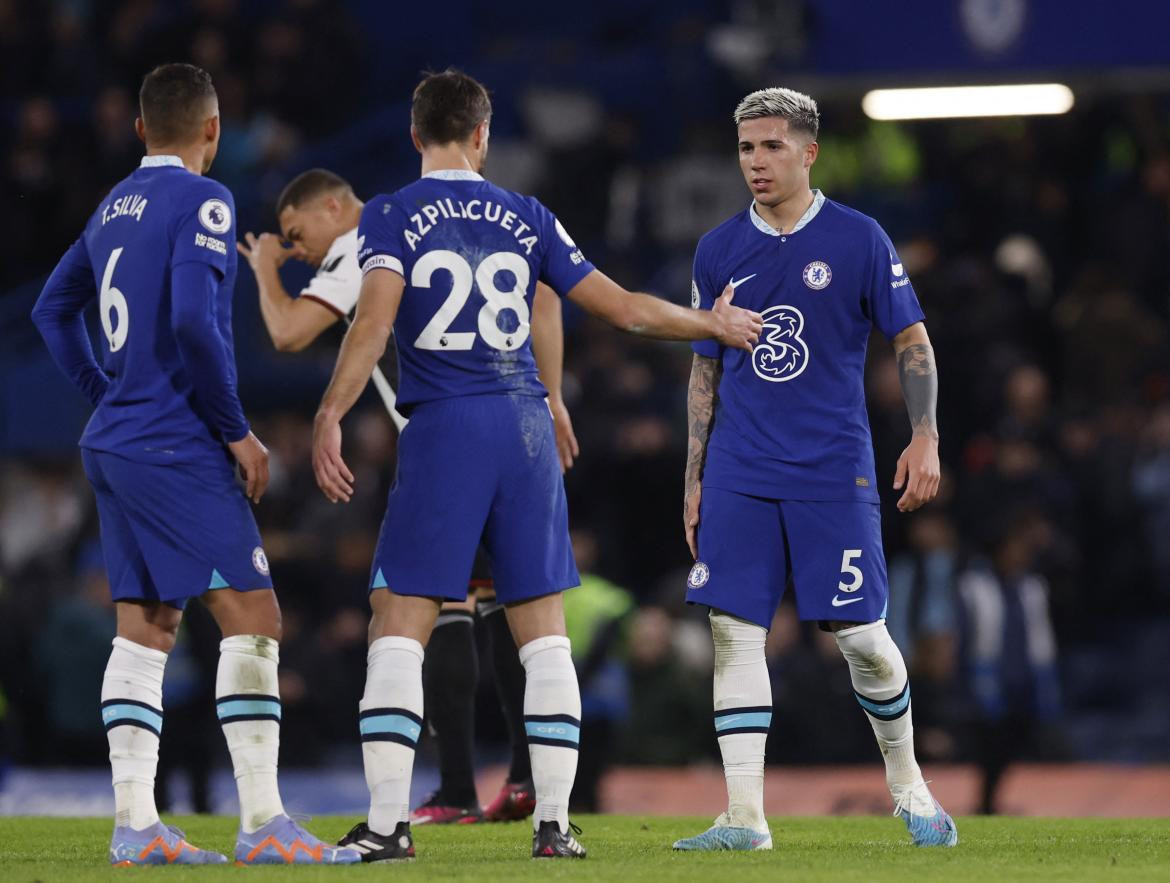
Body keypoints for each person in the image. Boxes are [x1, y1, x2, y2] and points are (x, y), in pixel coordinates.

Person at [309, 68, 761, 862]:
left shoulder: (392, 213)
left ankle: (387, 826)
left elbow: (374, 321)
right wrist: (711, 324)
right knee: (543, 631)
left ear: (417, 134)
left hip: (445, 423)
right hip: (522, 422)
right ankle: (554, 824)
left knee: (400, 621)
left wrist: (329, 413)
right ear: (482, 137)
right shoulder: (526, 214)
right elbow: (621, 307)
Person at [30, 63, 359, 866]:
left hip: (114, 441)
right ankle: (263, 821)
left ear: (142, 129)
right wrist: (238, 430)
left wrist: (102, 389)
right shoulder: (205, 200)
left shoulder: (112, 206)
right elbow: (191, 322)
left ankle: (136, 825)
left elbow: (51, 308)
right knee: (255, 615)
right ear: (213, 130)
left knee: (145, 629)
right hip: (174, 441)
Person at [237, 168, 578, 823]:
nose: (295, 247)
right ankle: (528, 782)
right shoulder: (451, 224)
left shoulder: (363, 244)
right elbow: (546, 297)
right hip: (515, 436)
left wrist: (262, 270)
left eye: (294, 231)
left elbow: (287, 333)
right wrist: (553, 395)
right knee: (516, 606)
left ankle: (452, 789)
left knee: (418, 610)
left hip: (444, 449)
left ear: (334, 205)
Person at [674, 86, 958, 851]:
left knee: (862, 636)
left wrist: (925, 433)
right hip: (739, 465)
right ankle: (744, 818)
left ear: (809, 151)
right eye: (745, 148)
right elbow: (705, 370)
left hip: (833, 467)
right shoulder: (716, 249)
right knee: (733, 633)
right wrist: (695, 473)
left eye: (770, 146)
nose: (755, 162)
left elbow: (913, 343)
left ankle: (910, 785)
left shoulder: (860, 238)